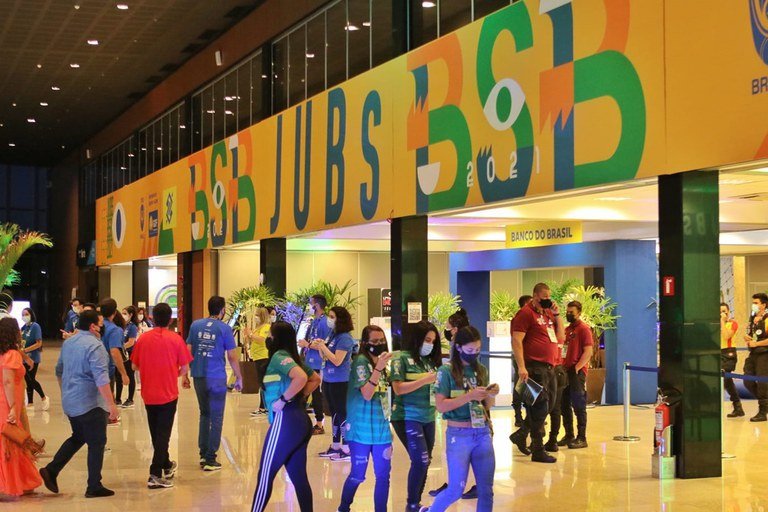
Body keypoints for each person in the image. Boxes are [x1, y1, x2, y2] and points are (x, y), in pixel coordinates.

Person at [39, 309, 120, 498]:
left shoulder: (69, 342)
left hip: (71, 401)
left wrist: (65, 391)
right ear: (93, 326)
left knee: (79, 436)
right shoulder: (96, 346)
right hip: (91, 403)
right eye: (100, 324)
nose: (102, 328)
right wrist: (112, 405)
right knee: (97, 442)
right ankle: (94, 486)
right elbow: (102, 379)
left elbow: (59, 370)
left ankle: (51, 470)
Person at [421, 326, 498, 512]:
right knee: (456, 489)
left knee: (486, 490)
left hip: (482, 432)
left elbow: (486, 406)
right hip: (459, 434)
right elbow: (441, 406)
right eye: (470, 350)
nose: (474, 354)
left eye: (477, 349)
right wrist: (469, 396)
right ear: (458, 347)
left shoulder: (481, 370)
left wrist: (491, 394)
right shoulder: (445, 372)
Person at [250, 321, 320, 512]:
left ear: (276, 339)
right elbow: (315, 379)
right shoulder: (291, 357)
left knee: (265, 475)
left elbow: (302, 377)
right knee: (299, 478)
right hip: (300, 421)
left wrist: (284, 399)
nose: (268, 338)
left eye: (270, 335)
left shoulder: (279, 356)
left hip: (285, 421)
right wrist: (299, 396)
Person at [130, 302, 193, 489]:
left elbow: (134, 365)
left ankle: (166, 464)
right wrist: (173, 373)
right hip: (168, 393)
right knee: (163, 435)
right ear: (170, 319)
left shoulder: (143, 339)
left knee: (156, 432)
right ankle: (155, 474)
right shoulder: (176, 339)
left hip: (148, 393)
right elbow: (185, 367)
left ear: (152, 318)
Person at [337, 326, 393, 512]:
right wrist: (378, 368)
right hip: (360, 430)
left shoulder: (383, 366)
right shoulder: (361, 362)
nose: (379, 344)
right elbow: (367, 394)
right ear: (364, 343)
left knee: (383, 476)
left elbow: (386, 396)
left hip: (381, 429)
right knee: (357, 475)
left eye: (382, 340)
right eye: (375, 341)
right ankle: (343, 508)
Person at [509, 283, 565, 463]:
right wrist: (521, 366)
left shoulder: (548, 314)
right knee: (539, 406)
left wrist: (557, 315)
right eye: (543, 297)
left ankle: (522, 433)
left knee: (549, 406)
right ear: (534, 296)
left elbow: (561, 337)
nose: (546, 300)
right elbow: (516, 340)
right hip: (534, 367)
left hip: (550, 367)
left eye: (549, 297)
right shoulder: (525, 313)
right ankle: (537, 448)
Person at [187, 295, 243, 470]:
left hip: (199, 375)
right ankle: (211, 458)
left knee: (204, 414)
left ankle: (203, 454)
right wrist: (239, 376)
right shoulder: (224, 328)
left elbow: (188, 350)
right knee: (217, 417)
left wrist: (185, 374)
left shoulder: (195, 325)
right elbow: (232, 356)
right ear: (222, 310)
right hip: (217, 377)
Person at [390, 321, 441, 512]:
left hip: (429, 415)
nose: (430, 344)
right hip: (407, 416)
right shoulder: (401, 358)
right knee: (420, 460)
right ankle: (411, 505)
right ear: (417, 338)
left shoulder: (429, 362)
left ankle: (416, 504)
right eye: (427, 340)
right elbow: (398, 388)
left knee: (426, 461)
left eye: (433, 341)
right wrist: (425, 379)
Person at [0, 317, 43, 497]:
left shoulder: (5, 353)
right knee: (10, 443)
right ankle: (15, 482)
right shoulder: (11, 354)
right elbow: (8, 381)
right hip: (7, 402)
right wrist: (12, 407)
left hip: (6, 401)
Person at [310, 305, 355, 461]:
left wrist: (323, 346)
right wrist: (320, 346)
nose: (329, 320)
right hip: (329, 379)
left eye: (332, 317)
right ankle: (335, 445)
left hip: (340, 381)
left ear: (340, 319)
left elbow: (337, 360)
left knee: (342, 412)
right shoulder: (333, 334)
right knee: (334, 412)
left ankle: (347, 447)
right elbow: (325, 356)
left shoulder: (345, 338)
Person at [558, 301, 594, 449]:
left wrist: (578, 367)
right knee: (564, 403)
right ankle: (569, 435)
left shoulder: (584, 329)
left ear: (579, 313)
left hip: (576, 372)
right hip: (565, 370)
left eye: (571, 312)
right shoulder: (567, 330)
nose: (568, 314)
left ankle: (581, 437)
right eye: (567, 312)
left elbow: (588, 351)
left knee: (578, 404)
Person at [298, 294, 331, 434]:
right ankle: (302, 421)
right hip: (309, 362)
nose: (309, 306)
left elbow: (326, 346)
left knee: (317, 394)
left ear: (316, 305)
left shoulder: (325, 323)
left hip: (319, 364)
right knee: (305, 392)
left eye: (310, 303)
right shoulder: (314, 322)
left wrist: (307, 344)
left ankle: (319, 424)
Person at [98, 299, 130, 411]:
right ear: (115, 312)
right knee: (107, 401)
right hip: (106, 370)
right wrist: (123, 374)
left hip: (92, 368)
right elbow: (114, 352)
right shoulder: (114, 330)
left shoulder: (95, 326)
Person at [744, 292, 768, 422]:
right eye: (753, 303)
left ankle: (762, 412)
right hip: (753, 353)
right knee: (747, 381)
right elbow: (751, 334)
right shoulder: (752, 317)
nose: (753, 305)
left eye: (756, 303)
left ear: (763, 305)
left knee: (762, 383)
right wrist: (747, 337)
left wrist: (757, 343)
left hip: (764, 354)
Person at [21, 307, 49, 411]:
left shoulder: (35, 326)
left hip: (33, 358)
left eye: (26, 314)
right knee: (27, 381)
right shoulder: (23, 328)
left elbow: (39, 343)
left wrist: (26, 350)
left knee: (31, 379)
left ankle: (44, 397)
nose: (24, 316)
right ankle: (30, 402)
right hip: (24, 359)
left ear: (31, 315)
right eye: (23, 314)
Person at [244, 306, 271, 416]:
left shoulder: (266, 327)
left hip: (263, 357)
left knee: (263, 382)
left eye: (257, 315)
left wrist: (250, 334)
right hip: (257, 357)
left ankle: (264, 407)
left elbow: (261, 339)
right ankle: (263, 406)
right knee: (261, 382)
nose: (255, 317)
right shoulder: (258, 327)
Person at [512, 295, 532, 428]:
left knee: (530, 388)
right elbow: (516, 339)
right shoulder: (519, 318)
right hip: (521, 358)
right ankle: (518, 416)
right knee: (519, 387)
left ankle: (531, 416)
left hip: (530, 358)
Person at [721, 303, 743, 418]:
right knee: (727, 381)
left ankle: (737, 406)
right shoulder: (716, 324)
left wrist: (722, 322)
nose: (722, 313)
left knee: (726, 378)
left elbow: (726, 336)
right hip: (718, 352)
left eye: (724, 311)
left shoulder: (733, 323)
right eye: (720, 312)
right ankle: (738, 407)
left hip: (728, 353)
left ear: (728, 312)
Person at [116, 305, 139, 408]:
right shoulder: (121, 325)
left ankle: (130, 399)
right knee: (118, 375)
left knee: (130, 375)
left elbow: (131, 342)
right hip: (121, 353)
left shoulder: (132, 327)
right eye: (122, 313)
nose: (123, 315)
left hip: (129, 354)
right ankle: (118, 399)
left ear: (131, 315)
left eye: (125, 313)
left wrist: (120, 347)